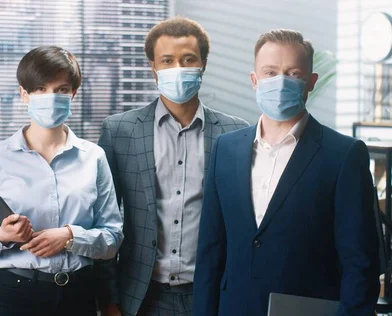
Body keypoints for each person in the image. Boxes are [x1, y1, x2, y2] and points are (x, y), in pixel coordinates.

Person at [193, 29, 380, 316]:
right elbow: (210, 252)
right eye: (270, 72)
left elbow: (360, 263)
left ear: (311, 82)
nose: (279, 82)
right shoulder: (226, 149)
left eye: (292, 73)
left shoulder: (344, 154)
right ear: (254, 80)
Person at [95, 17, 248, 316]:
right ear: (153, 67)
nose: (178, 68)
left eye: (188, 59)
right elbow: (103, 219)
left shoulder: (236, 133)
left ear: (203, 65)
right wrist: (108, 299)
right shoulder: (119, 131)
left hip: (212, 293)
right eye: (167, 60)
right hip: (141, 295)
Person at [0, 46, 124, 316]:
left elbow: (113, 237)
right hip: (16, 294)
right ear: (23, 94)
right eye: (40, 88)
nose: (51, 97)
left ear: (73, 94)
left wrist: (70, 237)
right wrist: (3, 236)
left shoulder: (94, 157)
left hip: (79, 294)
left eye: (61, 89)